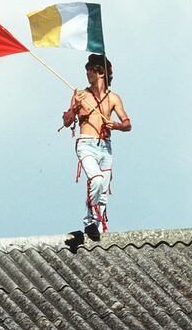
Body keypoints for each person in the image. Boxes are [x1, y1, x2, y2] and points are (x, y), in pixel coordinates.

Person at [61, 54, 131, 242]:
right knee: (97, 179)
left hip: (105, 147)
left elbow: (128, 124)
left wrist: (115, 125)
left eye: (90, 69)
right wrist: (75, 107)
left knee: (104, 195)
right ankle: (89, 221)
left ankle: (98, 231)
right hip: (86, 144)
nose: (87, 72)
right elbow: (67, 122)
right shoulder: (80, 94)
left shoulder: (113, 98)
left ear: (100, 72)